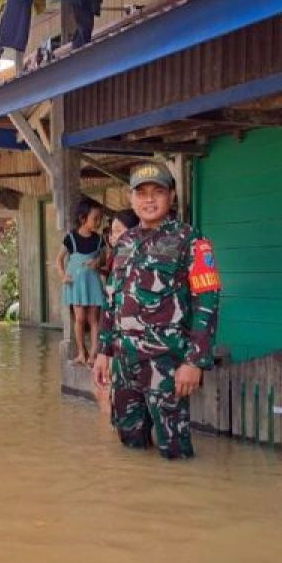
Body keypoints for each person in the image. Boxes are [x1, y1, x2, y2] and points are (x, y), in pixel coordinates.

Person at [92, 162, 221, 460]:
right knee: (129, 444)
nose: (149, 200)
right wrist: (103, 351)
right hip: (125, 364)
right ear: (131, 198)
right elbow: (112, 300)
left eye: (158, 192)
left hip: (166, 364)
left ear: (172, 196)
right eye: (142, 193)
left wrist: (195, 361)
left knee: (174, 451)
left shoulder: (192, 241)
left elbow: (208, 301)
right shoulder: (124, 243)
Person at [94, 210, 139, 420]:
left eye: (119, 231)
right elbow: (110, 307)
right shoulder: (117, 260)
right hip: (118, 345)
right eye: (112, 233)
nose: (113, 238)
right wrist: (104, 351)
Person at [58, 197, 106, 365]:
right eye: (95, 218)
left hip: (92, 283)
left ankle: (93, 354)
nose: (99, 222)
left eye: (100, 218)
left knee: (93, 320)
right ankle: (81, 353)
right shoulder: (71, 238)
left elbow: (104, 258)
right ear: (82, 218)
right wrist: (63, 276)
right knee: (79, 319)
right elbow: (59, 260)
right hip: (76, 285)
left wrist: (97, 262)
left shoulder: (99, 240)